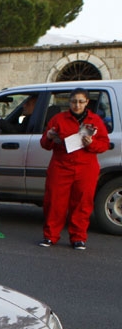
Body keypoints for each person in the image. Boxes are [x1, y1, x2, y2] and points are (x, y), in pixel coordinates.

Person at [38, 88, 110, 249]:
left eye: (80, 101)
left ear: (87, 103)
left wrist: (92, 144)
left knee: (82, 203)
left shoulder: (95, 120)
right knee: (54, 202)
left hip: (86, 168)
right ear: (69, 102)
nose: (77, 105)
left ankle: (78, 238)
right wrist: (49, 136)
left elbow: (104, 144)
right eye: (73, 101)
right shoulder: (59, 119)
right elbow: (44, 144)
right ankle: (50, 236)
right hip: (61, 165)